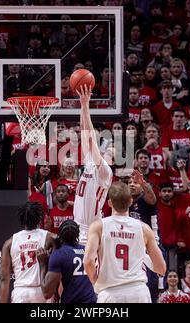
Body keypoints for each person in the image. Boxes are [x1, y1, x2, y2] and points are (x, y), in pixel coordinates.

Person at [84, 181, 166, 303]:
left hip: (110, 293)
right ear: (130, 202)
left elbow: (88, 261)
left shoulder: (98, 227)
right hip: (139, 292)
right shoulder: (144, 229)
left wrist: (95, 280)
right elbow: (161, 268)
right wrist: (144, 258)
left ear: (110, 203)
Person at [73, 85, 113, 245]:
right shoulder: (90, 161)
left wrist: (86, 106)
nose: (108, 152)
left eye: (112, 152)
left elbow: (90, 139)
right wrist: (82, 107)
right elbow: (84, 131)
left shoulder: (105, 172)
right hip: (76, 226)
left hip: (89, 231)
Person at [0, 201, 54, 303]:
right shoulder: (49, 237)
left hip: (21, 291)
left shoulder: (10, 242)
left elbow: (4, 278)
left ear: (21, 219)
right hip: (42, 289)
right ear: (39, 218)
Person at [37, 220, 97, 303]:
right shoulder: (87, 250)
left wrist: (42, 264)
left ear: (60, 235)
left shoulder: (59, 254)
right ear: (77, 233)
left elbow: (47, 293)